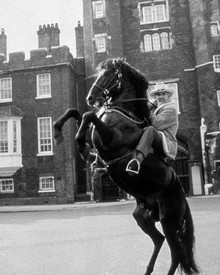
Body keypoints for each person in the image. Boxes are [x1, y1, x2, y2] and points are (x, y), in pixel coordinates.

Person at [126, 82, 179, 175]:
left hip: (166, 141)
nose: (160, 97)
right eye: (158, 94)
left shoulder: (171, 109)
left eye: (163, 94)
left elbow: (156, 124)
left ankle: (137, 161)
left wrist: (147, 110)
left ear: (168, 95)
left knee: (150, 130)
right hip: (156, 138)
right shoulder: (155, 107)